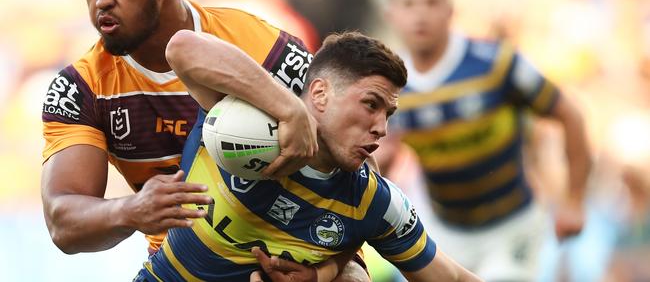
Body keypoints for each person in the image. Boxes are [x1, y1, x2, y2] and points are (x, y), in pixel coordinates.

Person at [40, 0, 367, 280]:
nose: (102, 1)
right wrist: (132, 209)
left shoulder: (257, 44)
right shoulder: (81, 87)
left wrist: (330, 268)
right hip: (180, 268)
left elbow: (362, 165)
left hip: (285, 258)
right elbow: (62, 222)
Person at [135, 31, 482, 282]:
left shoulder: (372, 200)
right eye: (371, 105)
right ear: (319, 93)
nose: (381, 129)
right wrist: (289, 110)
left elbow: (451, 276)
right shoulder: (243, 119)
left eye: (388, 114)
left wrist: (323, 274)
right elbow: (181, 47)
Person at [378, 0, 593, 280]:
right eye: (408, 3)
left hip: (512, 226)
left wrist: (574, 199)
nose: (419, 14)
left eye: (431, 2)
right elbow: (384, 153)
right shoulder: (391, 86)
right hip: (444, 231)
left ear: (450, 10)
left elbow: (569, 114)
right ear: (391, 14)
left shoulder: (497, 64)